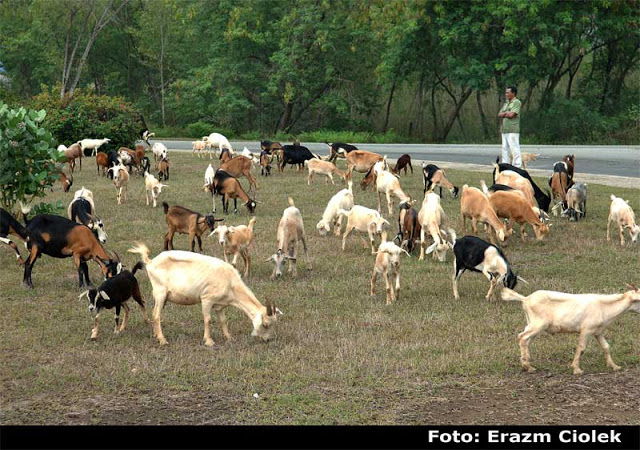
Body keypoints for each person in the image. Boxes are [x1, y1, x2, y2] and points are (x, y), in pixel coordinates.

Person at [498, 86, 522, 167]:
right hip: (504, 129)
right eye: (506, 92)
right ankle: (506, 164)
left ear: (513, 93)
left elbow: (512, 114)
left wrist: (505, 113)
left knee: (514, 148)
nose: (506, 94)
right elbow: (499, 114)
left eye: (508, 92)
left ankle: (517, 165)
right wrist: (506, 113)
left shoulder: (516, 102)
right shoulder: (506, 103)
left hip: (512, 129)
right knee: (504, 148)